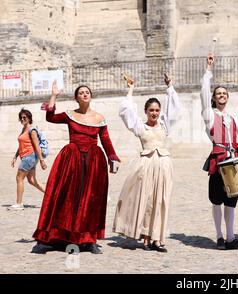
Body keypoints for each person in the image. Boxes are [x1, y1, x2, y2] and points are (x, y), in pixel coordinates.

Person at [31, 81, 120, 254]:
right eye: (81, 93)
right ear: (76, 98)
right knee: (65, 197)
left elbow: (106, 140)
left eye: (87, 92)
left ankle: (88, 239)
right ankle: (53, 236)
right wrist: (54, 95)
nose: (85, 94)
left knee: (90, 199)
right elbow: (51, 118)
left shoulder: (99, 118)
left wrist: (112, 157)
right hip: (71, 160)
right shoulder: (70, 115)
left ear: (91, 96)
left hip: (94, 162)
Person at [112, 75, 180, 252]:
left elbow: (173, 108)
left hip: (164, 166)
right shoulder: (140, 126)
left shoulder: (165, 126)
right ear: (146, 111)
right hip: (146, 166)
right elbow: (126, 112)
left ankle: (158, 238)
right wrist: (131, 89)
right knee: (147, 201)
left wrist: (169, 86)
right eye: (151, 110)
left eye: (157, 110)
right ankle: (146, 238)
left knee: (161, 201)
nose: (154, 113)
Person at [201, 53, 238, 250]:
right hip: (218, 162)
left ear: (228, 97)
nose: (222, 95)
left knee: (231, 201)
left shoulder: (232, 118)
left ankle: (231, 238)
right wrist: (208, 71)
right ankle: (220, 237)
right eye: (218, 93)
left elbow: (236, 142)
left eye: (224, 94)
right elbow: (203, 94)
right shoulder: (209, 116)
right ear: (214, 97)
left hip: (233, 161)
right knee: (217, 200)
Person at [9, 109, 46, 210]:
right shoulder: (23, 130)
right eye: (21, 117)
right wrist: (15, 157)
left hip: (29, 157)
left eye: (24, 117)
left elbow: (36, 146)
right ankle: (52, 195)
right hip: (27, 157)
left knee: (19, 178)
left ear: (29, 118)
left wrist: (42, 160)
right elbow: (21, 145)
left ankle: (19, 204)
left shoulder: (32, 130)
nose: (22, 119)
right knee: (32, 180)